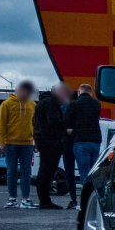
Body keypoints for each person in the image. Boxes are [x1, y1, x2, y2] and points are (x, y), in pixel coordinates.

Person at [0, 80, 37, 209]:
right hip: (11, 143)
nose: (28, 93)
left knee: (26, 171)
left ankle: (25, 199)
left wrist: (35, 140)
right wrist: (1, 143)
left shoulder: (32, 104)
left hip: (28, 143)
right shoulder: (7, 104)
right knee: (11, 171)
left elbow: (35, 124)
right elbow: (1, 124)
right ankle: (12, 198)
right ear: (20, 90)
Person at [33, 82, 72, 210]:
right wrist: (66, 126)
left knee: (45, 170)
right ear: (58, 92)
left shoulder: (42, 102)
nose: (67, 95)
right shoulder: (51, 103)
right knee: (47, 171)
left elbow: (36, 122)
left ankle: (44, 200)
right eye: (65, 92)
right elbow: (54, 121)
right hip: (50, 141)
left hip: (43, 140)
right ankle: (45, 201)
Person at [65, 82, 103, 205]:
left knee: (84, 172)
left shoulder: (73, 105)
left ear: (79, 92)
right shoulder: (97, 104)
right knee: (93, 172)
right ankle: (95, 198)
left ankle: (86, 201)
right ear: (90, 92)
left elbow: (68, 127)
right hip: (95, 141)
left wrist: (74, 131)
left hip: (81, 141)